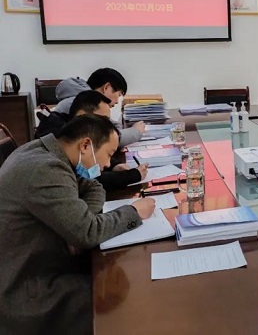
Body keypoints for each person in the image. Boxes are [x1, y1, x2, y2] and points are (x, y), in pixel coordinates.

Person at [0, 114, 155, 334]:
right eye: (109, 154)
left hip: (43, 263)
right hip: (27, 289)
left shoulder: (51, 153)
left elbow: (94, 187)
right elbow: (88, 233)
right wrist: (133, 212)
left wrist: (80, 219)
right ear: (85, 145)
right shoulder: (45, 170)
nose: (108, 164)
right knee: (123, 297)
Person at [35, 90, 148, 190]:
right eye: (102, 120)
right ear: (84, 116)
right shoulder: (59, 139)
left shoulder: (71, 130)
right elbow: (90, 180)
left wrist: (114, 165)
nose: (106, 127)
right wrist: (132, 175)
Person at [53, 67, 145, 147]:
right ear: (106, 87)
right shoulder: (82, 103)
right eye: (119, 94)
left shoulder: (85, 100)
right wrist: (136, 131)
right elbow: (104, 139)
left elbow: (110, 126)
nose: (117, 101)